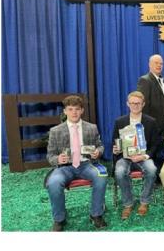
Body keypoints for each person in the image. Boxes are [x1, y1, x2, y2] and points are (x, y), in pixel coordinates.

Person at [45, 95, 108, 231]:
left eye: (77, 109)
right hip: (64, 168)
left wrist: (98, 151)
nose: (74, 112)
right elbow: (50, 156)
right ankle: (59, 219)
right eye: (70, 109)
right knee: (53, 183)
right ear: (65, 111)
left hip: (86, 164)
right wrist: (57, 159)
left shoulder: (91, 128)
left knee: (101, 177)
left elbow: (100, 146)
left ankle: (96, 214)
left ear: (82, 111)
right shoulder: (55, 131)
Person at [111, 91, 159, 219]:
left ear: (143, 104)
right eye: (132, 103)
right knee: (120, 172)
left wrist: (144, 156)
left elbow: (155, 144)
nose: (135, 106)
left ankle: (144, 201)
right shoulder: (119, 121)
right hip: (125, 157)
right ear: (128, 104)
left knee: (152, 169)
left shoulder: (151, 122)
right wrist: (116, 149)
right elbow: (115, 142)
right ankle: (128, 203)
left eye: (138, 103)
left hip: (143, 157)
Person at [137, 54, 164, 168]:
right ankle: (154, 177)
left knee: (163, 150)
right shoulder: (145, 80)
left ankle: (161, 174)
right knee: (154, 151)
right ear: (149, 65)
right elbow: (143, 105)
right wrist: (148, 124)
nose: (159, 65)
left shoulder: (163, 81)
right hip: (153, 124)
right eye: (156, 63)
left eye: (161, 63)